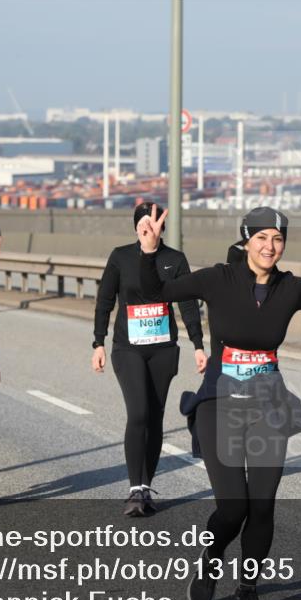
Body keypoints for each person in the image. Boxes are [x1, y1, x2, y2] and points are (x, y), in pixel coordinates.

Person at [139, 206, 301, 600]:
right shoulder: (218, 278)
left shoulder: (292, 288)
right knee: (233, 508)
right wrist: (148, 253)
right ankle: (212, 556)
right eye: (261, 238)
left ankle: (248, 587)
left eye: (277, 239)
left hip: (268, 403)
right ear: (246, 240)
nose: (270, 247)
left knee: (263, 505)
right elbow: (156, 292)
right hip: (219, 401)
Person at [93, 202, 207, 517]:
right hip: (127, 347)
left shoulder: (175, 260)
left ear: (161, 227)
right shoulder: (120, 256)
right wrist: (97, 342)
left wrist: (198, 345)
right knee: (139, 412)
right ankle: (133, 487)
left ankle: (145, 486)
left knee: (155, 417)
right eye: (142, 221)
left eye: (153, 221)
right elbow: (105, 299)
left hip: (163, 349)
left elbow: (187, 303)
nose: (148, 226)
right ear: (135, 227)